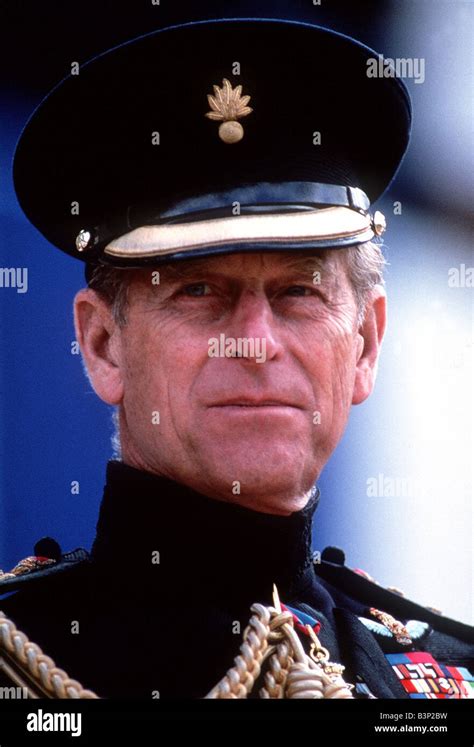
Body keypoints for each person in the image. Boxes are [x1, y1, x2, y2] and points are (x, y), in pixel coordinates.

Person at [1, 18, 472, 700]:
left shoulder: (445, 678)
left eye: (299, 291)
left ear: (366, 344)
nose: (255, 340)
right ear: (104, 345)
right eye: (199, 291)